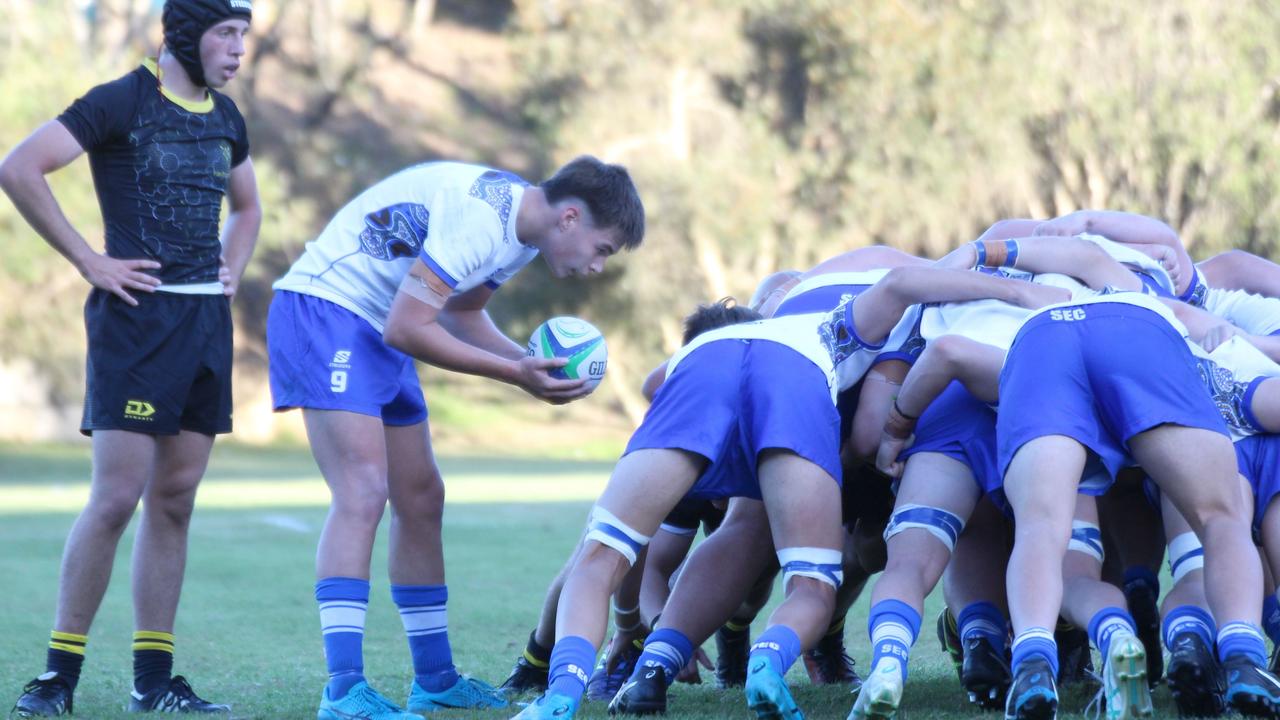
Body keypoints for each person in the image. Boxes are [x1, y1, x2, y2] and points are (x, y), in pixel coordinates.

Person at [266, 156, 644, 719]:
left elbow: (461, 314)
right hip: (329, 311)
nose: (596, 267)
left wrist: (528, 362)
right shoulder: (482, 221)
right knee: (363, 493)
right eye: (602, 248)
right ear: (570, 218)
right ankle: (344, 691)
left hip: (377, 328)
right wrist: (516, 374)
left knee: (421, 498)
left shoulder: (519, 233)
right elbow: (409, 326)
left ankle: (435, 678)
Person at [2, 1, 259, 715]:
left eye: (244, 36)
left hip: (205, 324)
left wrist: (232, 266)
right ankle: (57, 677)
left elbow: (248, 208)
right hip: (138, 325)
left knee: (174, 502)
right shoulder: (121, 100)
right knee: (117, 498)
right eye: (225, 34)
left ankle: (155, 683)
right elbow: (20, 168)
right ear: (186, 34)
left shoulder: (228, 117)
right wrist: (89, 259)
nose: (238, 49)